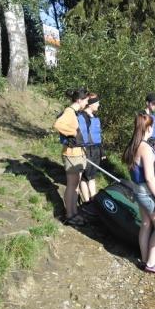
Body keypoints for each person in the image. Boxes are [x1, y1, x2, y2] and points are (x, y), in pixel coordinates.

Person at [122, 112, 155, 276]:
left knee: (146, 224)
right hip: (147, 193)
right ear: (148, 128)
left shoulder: (133, 145)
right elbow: (149, 177)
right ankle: (151, 263)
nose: (153, 129)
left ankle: (144, 258)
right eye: (152, 126)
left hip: (138, 191)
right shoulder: (146, 148)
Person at [53, 88, 89, 226]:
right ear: (79, 100)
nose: (87, 102)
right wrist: (74, 133)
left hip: (78, 154)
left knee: (75, 186)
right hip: (71, 154)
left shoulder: (75, 112)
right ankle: (69, 215)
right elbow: (58, 124)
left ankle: (74, 213)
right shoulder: (69, 112)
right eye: (85, 100)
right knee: (72, 186)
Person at [78, 93, 105, 210]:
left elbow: (99, 136)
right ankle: (87, 201)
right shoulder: (81, 117)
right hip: (86, 149)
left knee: (92, 176)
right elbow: (79, 136)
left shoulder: (95, 118)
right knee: (85, 177)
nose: (99, 105)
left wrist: (102, 152)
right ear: (91, 104)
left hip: (95, 150)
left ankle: (93, 200)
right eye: (97, 103)